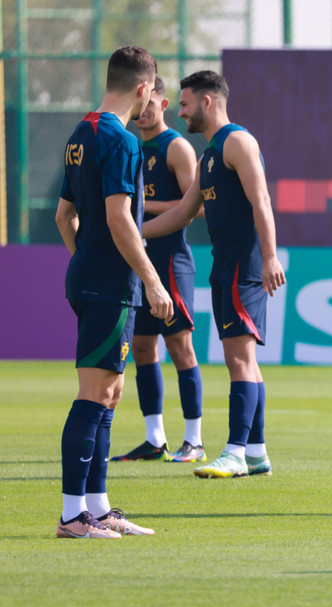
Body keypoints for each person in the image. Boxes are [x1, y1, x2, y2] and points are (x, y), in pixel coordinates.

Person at [53, 45, 173, 538]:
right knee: (95, 393)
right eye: (152, 94)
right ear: (144, 88)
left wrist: (85, 259)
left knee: (111, 392)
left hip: (93, 276)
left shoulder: (82, 132)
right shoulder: (121, 139)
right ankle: (70, 515)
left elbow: (64, 216)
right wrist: (151, 278)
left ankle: (98, 508)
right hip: (110, 283)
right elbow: (120, 216)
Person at [143, 70, 286, 479]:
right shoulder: (208, 155)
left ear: (207, 102)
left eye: (185, 104)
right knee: (242, 360)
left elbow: (261, 200)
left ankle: (236, 451)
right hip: (224, 267)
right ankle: (256, 452)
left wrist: (271, 257)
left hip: (244, 266)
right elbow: (180, 214)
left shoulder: (237, 142)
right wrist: (130, 233)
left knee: (239, 358)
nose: (182, 111)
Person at [111, 76, 205, 464]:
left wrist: (141, 210)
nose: (145, 110)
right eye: (142, 103)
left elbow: (194, 207)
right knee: (144, 347)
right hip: (141, 262)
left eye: (153, 103)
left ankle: (194, 440)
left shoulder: (176, 147)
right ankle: (155, 439)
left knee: (180, 346)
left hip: (171, 261)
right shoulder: (128, 145)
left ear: (163, 104)